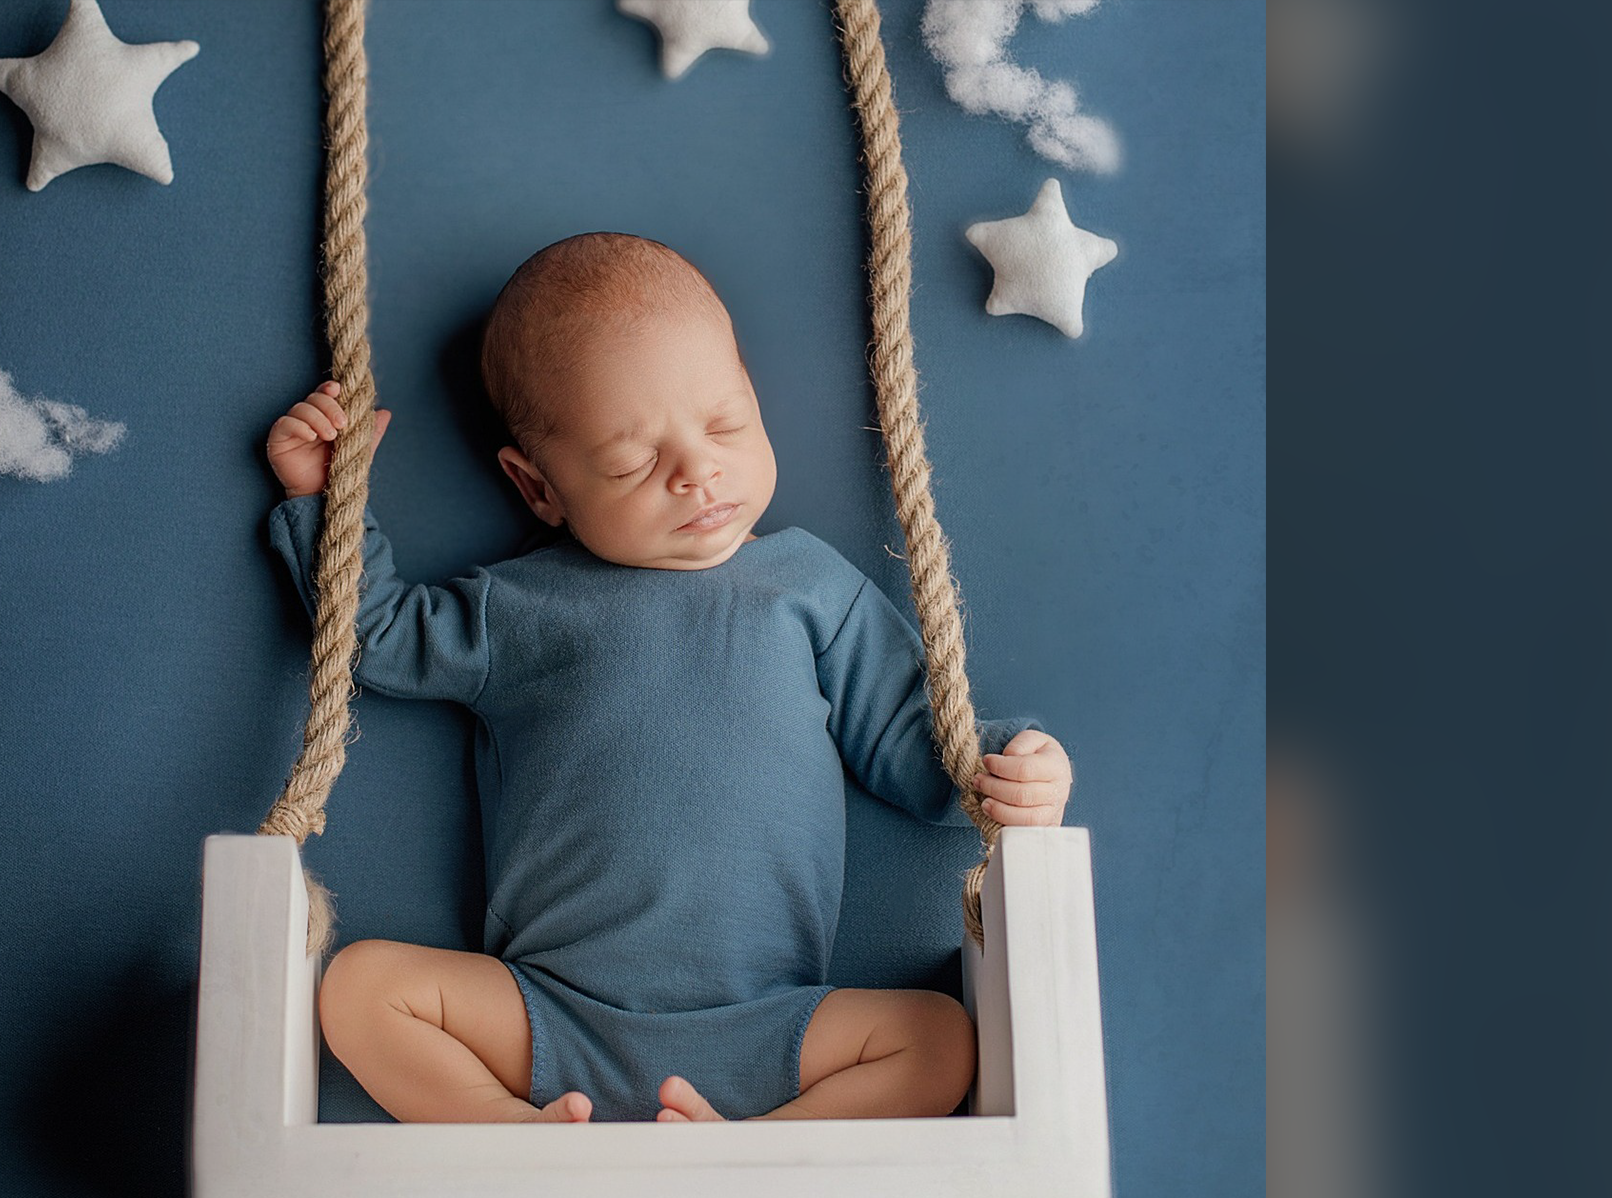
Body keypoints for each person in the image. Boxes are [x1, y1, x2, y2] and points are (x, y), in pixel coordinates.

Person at [264, 232, 1073, 1122]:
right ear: (539, 489)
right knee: (359, 989)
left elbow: (920, 753)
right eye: (632, 462)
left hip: (767, 1025)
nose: (698, 471)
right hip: (552, 1013)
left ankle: (757, 1153)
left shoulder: (808, 588)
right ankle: (514, 1144)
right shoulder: (520, 605)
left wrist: (1011, 767)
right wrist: (324, 502)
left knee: (940, 1037)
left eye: (727, 424)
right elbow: (374, 635)